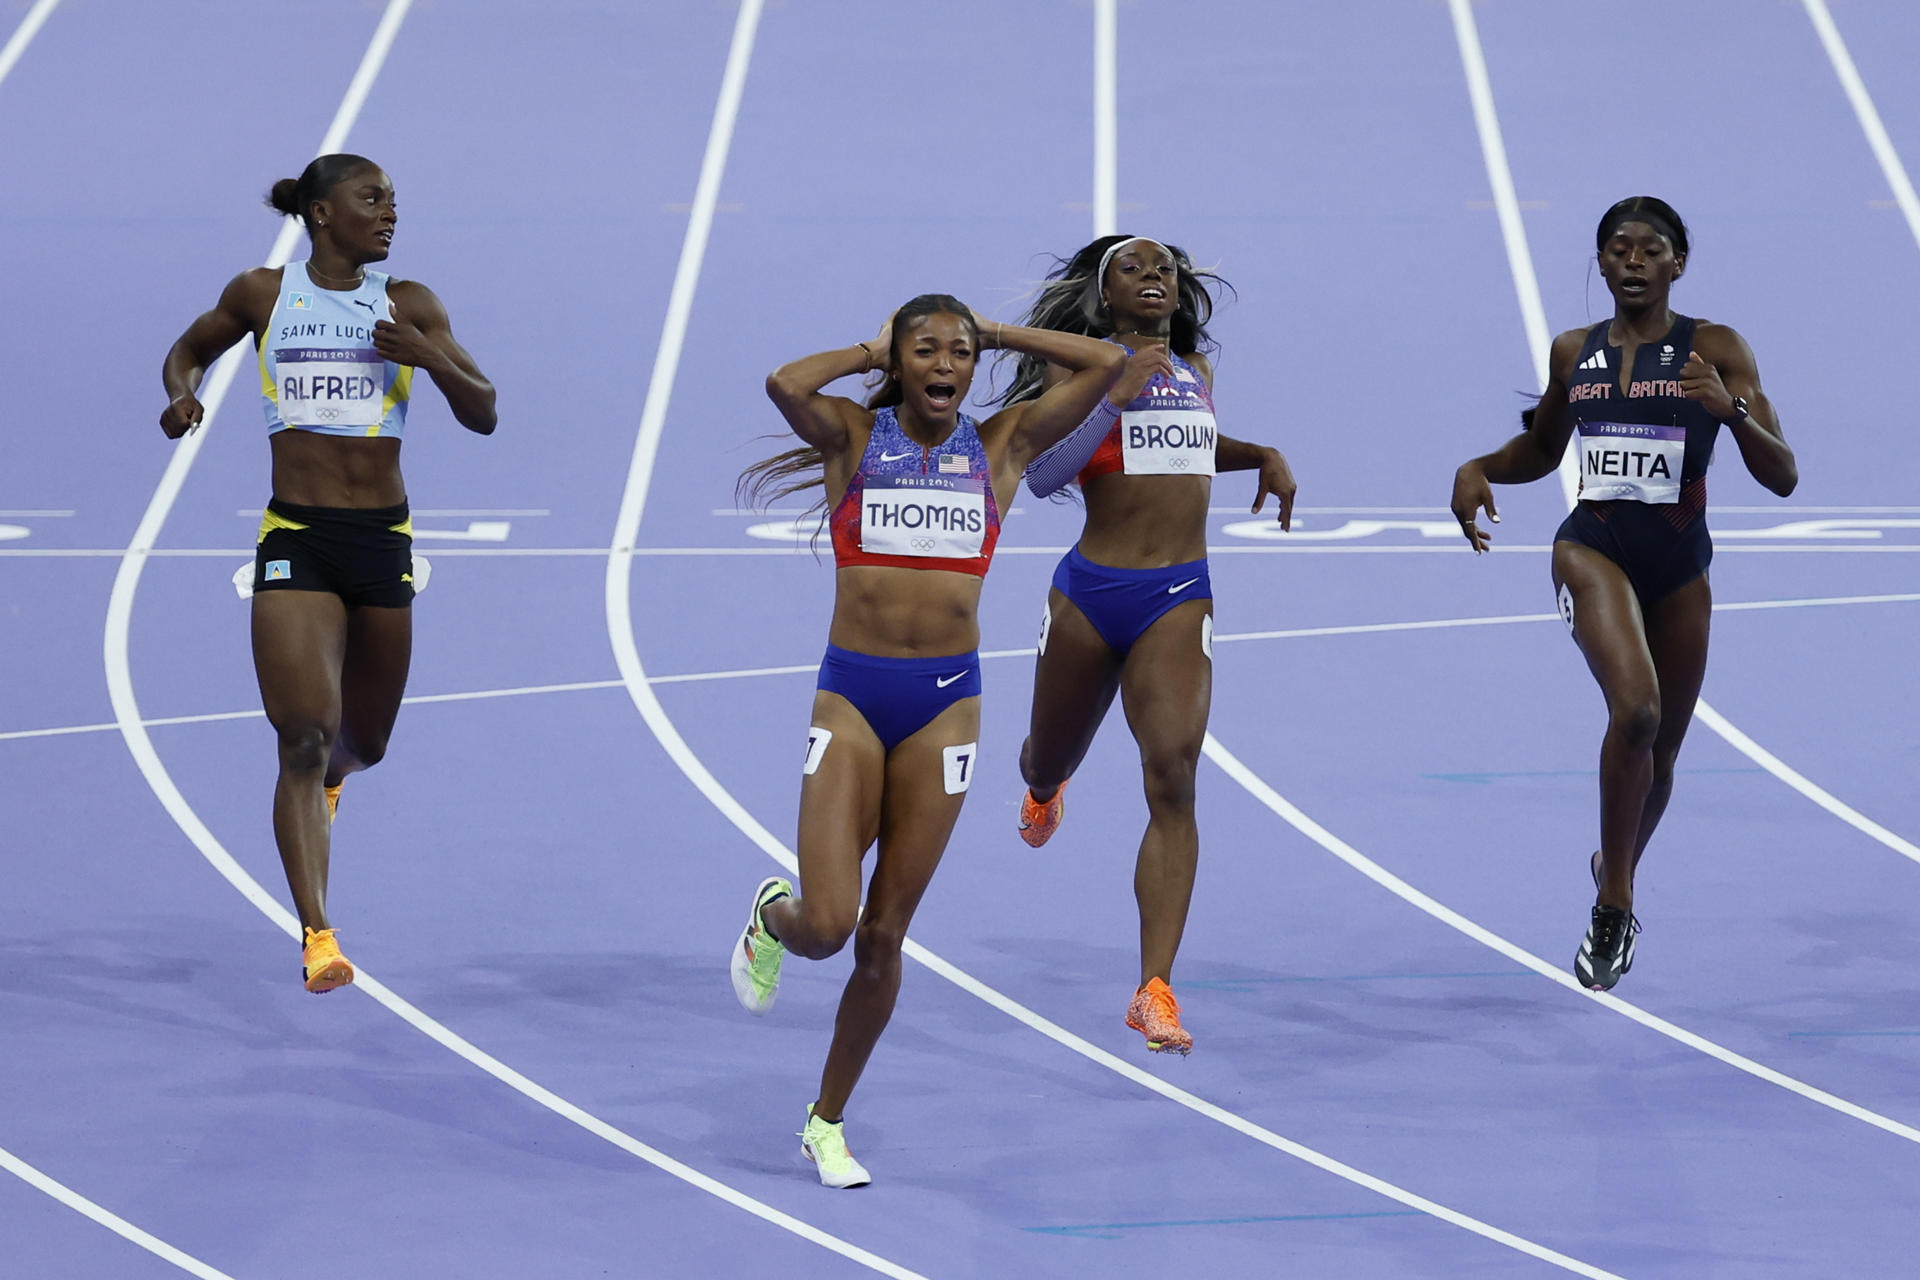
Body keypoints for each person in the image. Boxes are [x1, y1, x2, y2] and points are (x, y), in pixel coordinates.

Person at [731, 293, 1124, 1187]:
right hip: (854, 700)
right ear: (899, 364)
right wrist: (865, 350)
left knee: (883, 937)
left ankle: (826, 1122)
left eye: (959, 353)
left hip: (945, 707)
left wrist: (1001, 333)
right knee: (828, 925)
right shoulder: (851, 441)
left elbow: (1105, 368)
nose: (945, 366)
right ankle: (770, 916)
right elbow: (783, 382)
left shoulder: (1002, 447)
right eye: (924, 351)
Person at [159, 154, 496, 993]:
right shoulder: (263, 296)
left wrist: (429, 356)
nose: (389, 214)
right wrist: (181, 394)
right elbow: (186, 351)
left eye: (392, 202)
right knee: (301, 738)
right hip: (296, 537)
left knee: (363, 744)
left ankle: (333, 784)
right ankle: (318, 933)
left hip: (381, 542)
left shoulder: (408, 303)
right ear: (320, 212)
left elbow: (485, 410)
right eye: (371, 199)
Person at [1450, 197, 1796, 991]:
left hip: (1680, 563)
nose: (1633, 261)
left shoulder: (1716, 348)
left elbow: (1783, 475)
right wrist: (1479, 468)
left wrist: (1733, 413)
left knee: (1663, 756)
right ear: (1601, 264)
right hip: (1591, 548)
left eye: (1651, 250)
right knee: (1635, 711)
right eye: (1617, 249)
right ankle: (1614, 904)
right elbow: (1540, 449)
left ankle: (1616, 866)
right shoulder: (1574, 352)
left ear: (1679, 264)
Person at [997, 235, 1296, 1054]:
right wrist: (1110, 392)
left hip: (1176, 596)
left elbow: (1188, 451)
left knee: (1173, 772)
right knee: (1042, 757)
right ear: (1103, 295)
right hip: (1091, 595)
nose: (1156, 277)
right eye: (1134, 267)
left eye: (1165, 267)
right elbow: (1049, 472)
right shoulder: (1078, 372)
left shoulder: (1195, 374)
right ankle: (1044, 784)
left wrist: (1260, 455)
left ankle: (1153, 988)